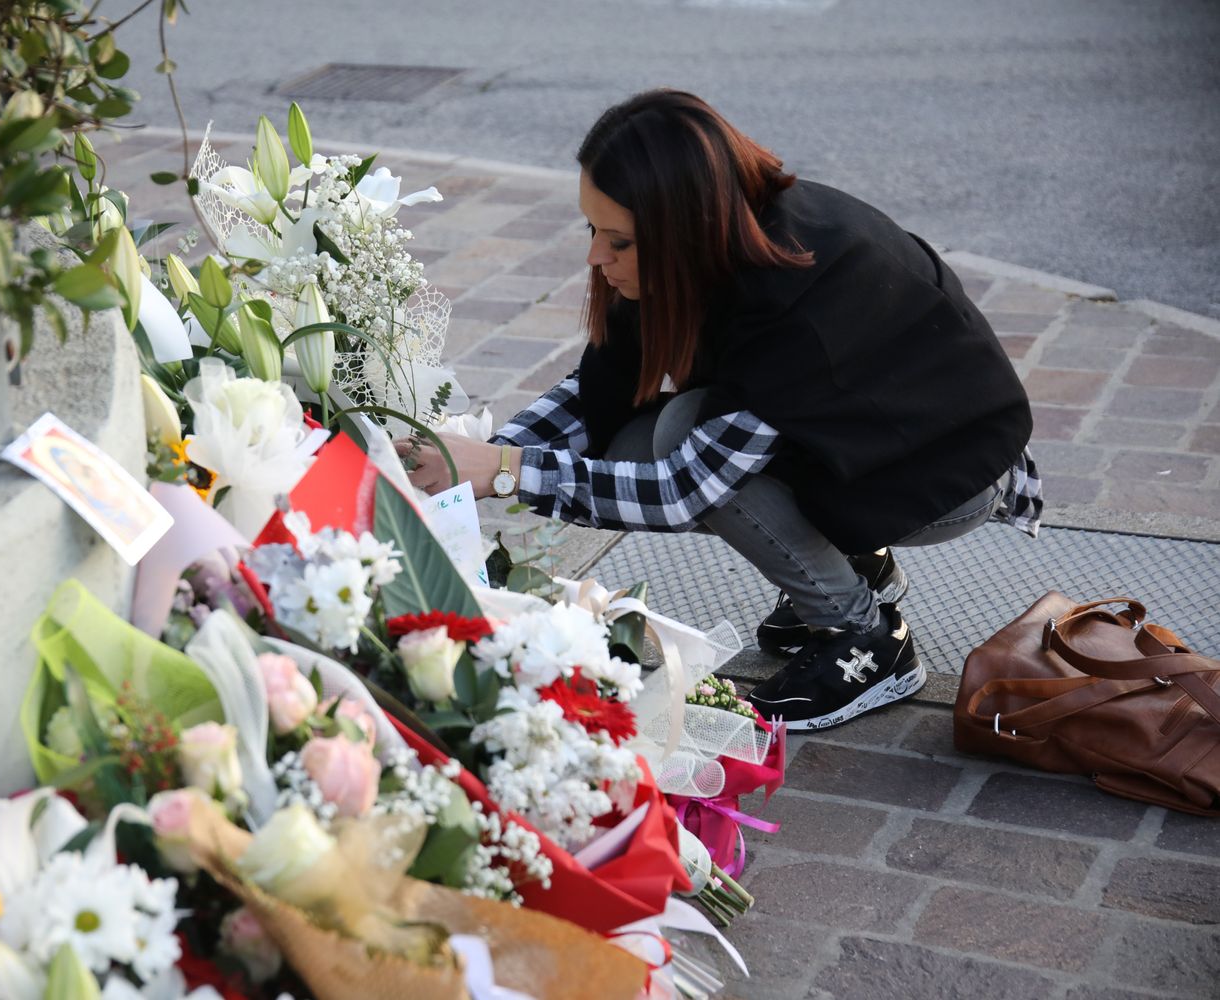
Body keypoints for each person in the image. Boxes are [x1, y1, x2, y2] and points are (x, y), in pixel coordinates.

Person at [399, 88, 1042, 731]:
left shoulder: (791, 300)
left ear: (681, 228)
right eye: (591, 229)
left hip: (946, 477)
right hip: (862, 441)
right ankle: (853, 562)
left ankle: (866, 642)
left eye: (617, 241)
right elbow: (601, 390)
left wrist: (507, 470)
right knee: (636, 438)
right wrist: (465, 459)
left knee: (687, 439)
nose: (596, 256)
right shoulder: (704, 241)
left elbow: (682, 491)